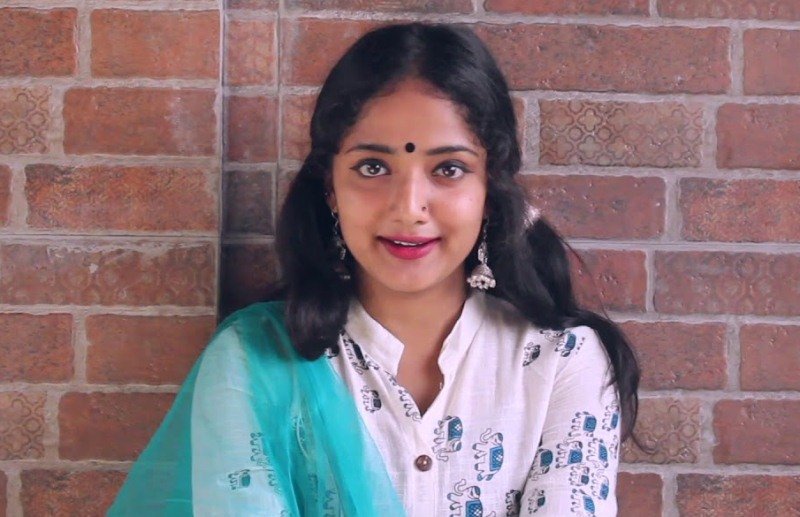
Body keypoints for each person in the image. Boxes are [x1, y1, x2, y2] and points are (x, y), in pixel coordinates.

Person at [109, 22, 639, 516]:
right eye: (373, 167)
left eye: (448, 169)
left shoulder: (562, 365)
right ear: (330, 187)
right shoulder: (254, 363)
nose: (409, 207)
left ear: (490, 191)